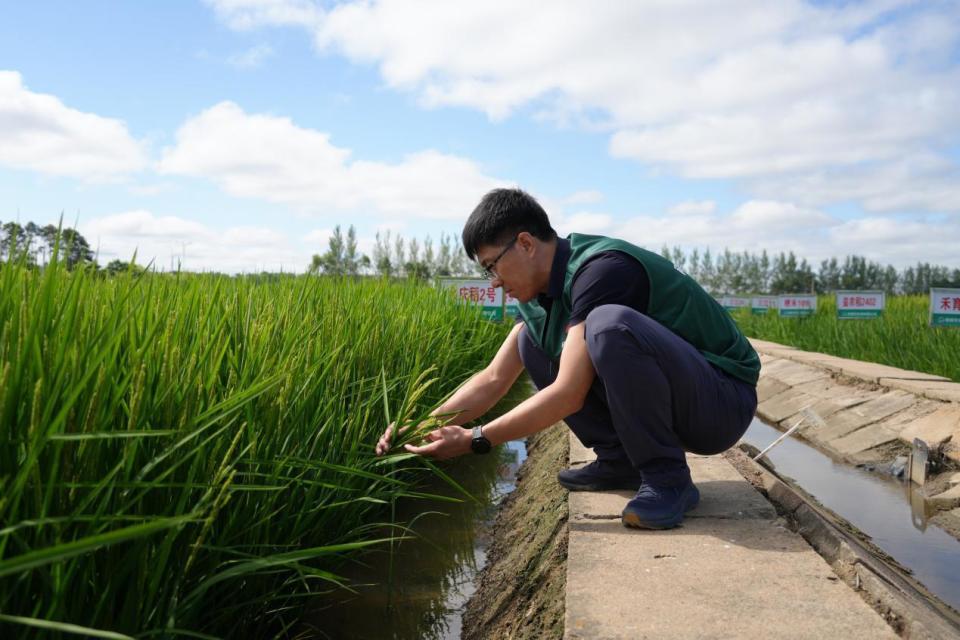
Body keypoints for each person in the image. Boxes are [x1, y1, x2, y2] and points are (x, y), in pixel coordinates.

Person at [375, 188, 759, 529]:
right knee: (532, 342)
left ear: (525, 243)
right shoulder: (544, 297)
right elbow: (493, 379)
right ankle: (621, 459)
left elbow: (568, 393)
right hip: (688, 397)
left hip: (722, 401)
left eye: (492, 265)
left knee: (609, 325)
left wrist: (477, 439)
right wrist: (418, 426)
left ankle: (667, 479)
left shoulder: (603, 271)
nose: (493, 281)